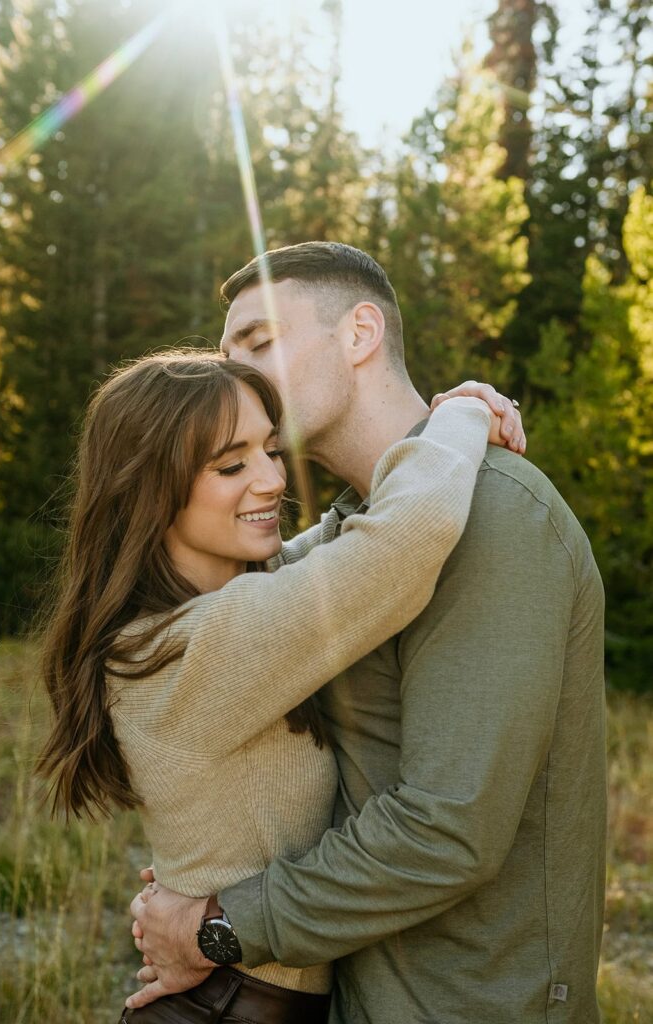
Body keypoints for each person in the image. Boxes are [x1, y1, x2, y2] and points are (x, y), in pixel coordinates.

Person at [128, 243, 606, 1024]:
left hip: (472, 1002)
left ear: (358, 335)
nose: (239, 378)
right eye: (227, 357)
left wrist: (219, 925)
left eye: (259, 343)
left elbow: (445, 828)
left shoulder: (494, 516)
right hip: (362, 992)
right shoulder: (356, 537)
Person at [36, 347, 515, 1024]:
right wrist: (462, 413)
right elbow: (406, 539)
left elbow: (338, 542)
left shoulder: (201, 619)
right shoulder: (192, 646)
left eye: (270, 449)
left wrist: (432, 424)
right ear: (150, 487)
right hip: (230, 1008)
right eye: (231, 465)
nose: (269, 480)